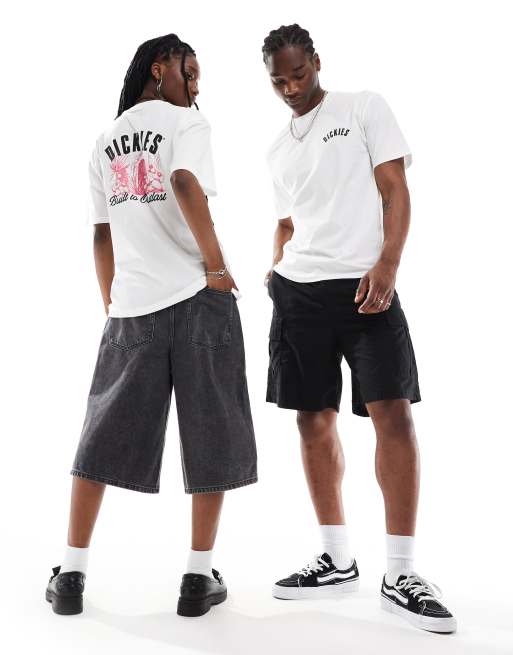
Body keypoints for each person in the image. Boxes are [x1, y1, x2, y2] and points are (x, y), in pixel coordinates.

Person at [45, 33, 257, 618]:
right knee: (211, 432)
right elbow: (185, 182)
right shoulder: (187, 123)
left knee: (100, 433)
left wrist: (112, 300)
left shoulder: (105, 140)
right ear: (159, 67)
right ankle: (196, 577)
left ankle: (71, 574)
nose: (196, 85)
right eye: (191, 72)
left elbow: (101, 234)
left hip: (133, 305)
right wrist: (216, 267)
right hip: (196, 295)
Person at [261, 23, 456, 633]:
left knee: (392, 414)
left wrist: (388, 264)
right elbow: (287, 222)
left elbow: (395, 189)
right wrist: (274, 272)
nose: (291, 88)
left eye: (298, 73)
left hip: (367, 289)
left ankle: (401, 573)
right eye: (278, 81)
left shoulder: (363, 108)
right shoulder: (278, 148)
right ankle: (336, 559)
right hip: (299, 294)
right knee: (311, 420)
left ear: (316, 61)